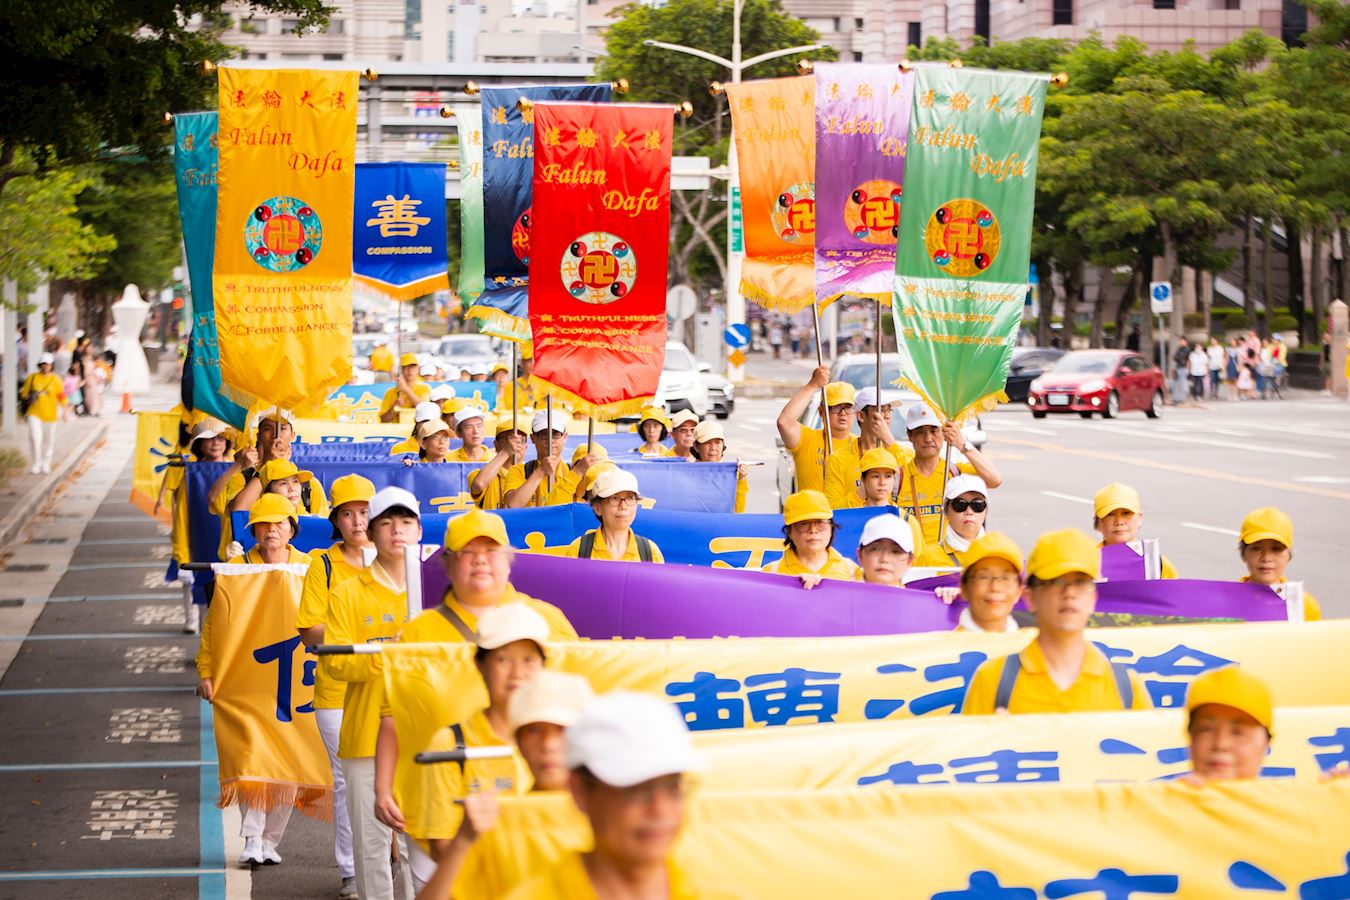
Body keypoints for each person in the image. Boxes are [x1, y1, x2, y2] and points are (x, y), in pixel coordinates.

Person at [377, 604, 547, 892]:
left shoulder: (561, 740)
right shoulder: (450, 744)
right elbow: (442, 845)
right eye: (503, 659)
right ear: (481, 666)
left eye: (529, 659)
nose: (517, 672)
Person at [322, 487, 424, 900]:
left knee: (425, 847)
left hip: (427, 738)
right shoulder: (348, 592)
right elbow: (335, 663)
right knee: (372, 849)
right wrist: (391, 655)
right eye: (387, 523)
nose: (397, 531)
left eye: (405, 522)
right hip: (365, 736)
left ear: (418, 530)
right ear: (372, 531)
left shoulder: (438, 589)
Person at [503, 692, 703, 900]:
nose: (660, 809)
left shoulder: (708, 891)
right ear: (579, 791)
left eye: (673, 788)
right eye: (635, 789)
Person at [962, 529, 1151, 715]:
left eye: (1080, 582)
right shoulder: (992, 682)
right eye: (1055, 582)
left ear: (1093, 598)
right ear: (1030, 597)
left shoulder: (1126, 689)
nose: (1069, 593)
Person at [295, 474, 375, 900]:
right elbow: (309, 630)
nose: (357, 521)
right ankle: (352, 869)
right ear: (336, 520)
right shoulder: (322, 565)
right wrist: (364, 634)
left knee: (395, 777)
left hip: (389, 690)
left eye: (364, 512)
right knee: (348, 781)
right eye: (348, 514)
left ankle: (388, 863)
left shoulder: (396, 560)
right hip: (337, 690)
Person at [899, 404, 1000, 547]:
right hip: (911, 558)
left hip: (949, 557)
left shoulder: (956, 473)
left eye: (934, 431)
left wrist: (961, 444)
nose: (928, 438)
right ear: (910, 436)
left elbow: (995, 480)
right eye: (920, 432)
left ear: (943, 433)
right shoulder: (896, 478)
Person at [169, 421, 232, 634]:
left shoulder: (238, 471)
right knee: (201, 594)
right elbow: (181, 518)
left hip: (228, 546)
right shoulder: (191, 475)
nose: (216, 443)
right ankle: (194, 624)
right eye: (209, 438)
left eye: (221, 438)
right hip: (199, 542)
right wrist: (180, 554)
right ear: (198, 444)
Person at [209, 409, 295, 560]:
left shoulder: (305, 482)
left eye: (282, 428)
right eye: (268, 429)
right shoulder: (241, 477)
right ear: (259, 436)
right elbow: (238, 511)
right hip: (247, 562)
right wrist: (269, 466)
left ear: (293, 435)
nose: (276, 436)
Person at [823, 387, 915, 509]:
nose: (887, 415)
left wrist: (887, 439)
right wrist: (858, 496)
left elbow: (915, 478)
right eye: (881, 410)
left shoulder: (901, 452)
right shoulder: (837, 459)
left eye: (889, 410)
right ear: (861, 415)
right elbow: (831, 509)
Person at [776, 367, 859, 494]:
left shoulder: (861, 446)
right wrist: (813, 385)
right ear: (821, 412)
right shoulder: (806, 440)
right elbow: (784, 422)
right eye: (836, 407)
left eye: (848, 408)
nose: (843, 414)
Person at [1184, 666, 1274, 783]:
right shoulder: (1167, 794)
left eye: (1238, 732)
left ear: (1266, 743)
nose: (1221, 744)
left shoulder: (1288, 794)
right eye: (1206, 729)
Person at [1237, 507, 1321, 620]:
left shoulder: (1305, 606)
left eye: (1276, 549)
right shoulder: (1226, 601)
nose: (1266, 558)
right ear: (1243, 554)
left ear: (1289, 555)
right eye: (1256, 548)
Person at [762, 490, 860, 585]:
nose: (813, 530)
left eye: (820, 523)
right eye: (804, 524)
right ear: (789, 532)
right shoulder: (771, 573)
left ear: (831, 527)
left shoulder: (852, 572)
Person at [566, 469, 665, 563]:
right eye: (614, 498)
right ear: (598, 508)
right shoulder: (578, 550)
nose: (623, 506)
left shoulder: (650, 553)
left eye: (630, 498)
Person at [503, 411, 599, 508]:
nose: (550, 440)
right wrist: (540, 472)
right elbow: (513, 504)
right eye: (544, 434)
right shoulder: (520, 471)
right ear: (533, 438)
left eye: (555, 434)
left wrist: (577, 473)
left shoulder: (576, 473)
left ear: (565, 437)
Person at [1092, 482, 1178, 579]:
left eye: (1126, 513)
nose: (1119, 522)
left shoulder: (1158, 564)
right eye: (1110, 514)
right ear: (1098, 522)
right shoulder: (1087, 562)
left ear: (1140, 518)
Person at [953, 532, 1023, 634]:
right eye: (984, 577)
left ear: (1018, 591)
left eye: (1005, 578)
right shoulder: (945, 644)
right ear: (963, 588)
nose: (995, 587)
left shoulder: (1031, 641)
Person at [915, 475, 988, 568]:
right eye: (960, 504)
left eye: (977, 505)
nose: (969, 512)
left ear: (986, 511)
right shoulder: (928, 558)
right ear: (946, 510)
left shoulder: (997, 552)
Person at [20, 352, 66, 474]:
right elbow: (24, 394)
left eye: (48, 364)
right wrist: (30, 398)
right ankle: (36, 463)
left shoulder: (56, 379)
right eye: (43, 364)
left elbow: (61, 395)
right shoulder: (32, 377)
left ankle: (46, 463)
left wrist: (65, 411)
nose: (46, 366)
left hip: (51, 414)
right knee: (35, 438)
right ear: (40, 365)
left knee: (48, 440)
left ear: (52, 365)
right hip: (34, 413)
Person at [470, 416, 528, 510]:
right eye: (508, 439)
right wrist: (506, 451)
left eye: (521, 440)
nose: (515, 443)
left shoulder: (532, 475)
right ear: (496, 444)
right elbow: (478, 485)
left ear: (526, 447)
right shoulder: (480, 474)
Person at [691, 420, 749, 513]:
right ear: (696, 446)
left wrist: (741, 479)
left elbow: (737, 511)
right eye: (707, 442)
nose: (713, 448)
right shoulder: (687, 473)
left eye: (717, 442)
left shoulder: (730, 475)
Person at [855, 513, 915, 587]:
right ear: (860, 555)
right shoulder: (842, 593)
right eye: (875, 549)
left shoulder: (918, 595)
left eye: (895, 551)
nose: (884, 559)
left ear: (909, 561)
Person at [381, 353, 432, 422]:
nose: (409, 370)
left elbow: (425, 409)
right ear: (401, 370)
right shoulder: (390, 392)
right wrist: (394, 407)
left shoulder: (424, 389)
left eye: (412, 366)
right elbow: (383, 420)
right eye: (406, 366)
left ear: (418, 369)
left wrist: (405, 389)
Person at [1171, 336, 1190, 404]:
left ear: (1186, 342)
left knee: (1183, 383)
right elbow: (1174, 357)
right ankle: (1176, 398)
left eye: (1182, 341)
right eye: (1180, 341)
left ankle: (1182, 398)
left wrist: (1179, 358)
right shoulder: (1179, 348)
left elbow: (1182, 357)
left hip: (1183, 368)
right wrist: (1179, 358)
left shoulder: (1187, 349)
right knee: (1173, 383)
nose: (1181, 342)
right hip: (1177, 367)